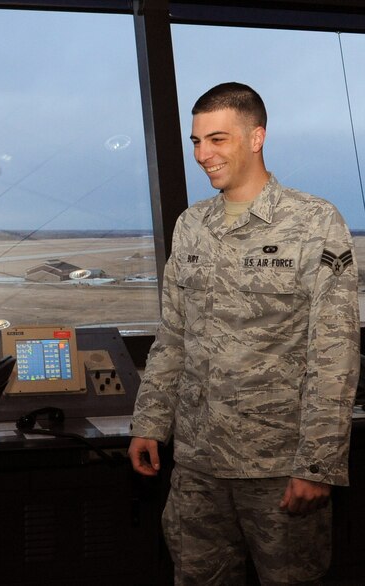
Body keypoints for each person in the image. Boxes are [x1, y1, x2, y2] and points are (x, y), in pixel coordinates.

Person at [128, 82, 360, 585]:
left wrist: (318, 465)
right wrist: (150, 422)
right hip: (197, 466)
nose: (202, 155)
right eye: (196, 141)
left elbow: (335, 351)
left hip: (276, 465)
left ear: (256, 138)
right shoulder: (191, 226)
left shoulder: (315, 222)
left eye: (217, 139)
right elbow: (174, 336)